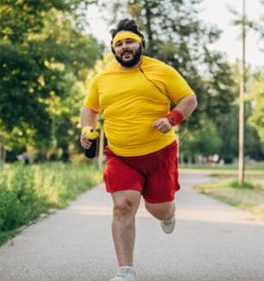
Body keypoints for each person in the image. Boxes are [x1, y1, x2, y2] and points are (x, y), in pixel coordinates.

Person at [79, 18, 197, 281]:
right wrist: (86, 130)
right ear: (113, 50)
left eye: (129, 41)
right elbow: (90, 109)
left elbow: (189, 99)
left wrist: (171, 119)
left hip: (159, 154)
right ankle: (125, 272)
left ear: (140, 43)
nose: (125, 47)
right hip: (120, 155)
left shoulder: (161, 70)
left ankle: (170, 213)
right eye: (119, 44)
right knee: (123, 205)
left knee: (159, 209)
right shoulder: (103, 78)